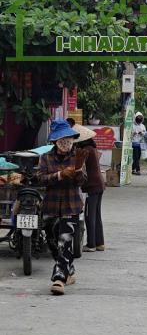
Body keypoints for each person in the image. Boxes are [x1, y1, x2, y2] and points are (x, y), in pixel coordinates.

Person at [38, 119, 87, 296]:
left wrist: (78, 171)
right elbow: (41, 179)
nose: (66, 142)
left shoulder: (78, 156)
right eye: (62, 139)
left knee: (65, 242)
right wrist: (59, 174)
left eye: (68, 139)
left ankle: (59, 278)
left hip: (71, 205)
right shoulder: (46, 158)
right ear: (55, 141)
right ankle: (69, 270)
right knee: (52, 242)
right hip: (50, 205)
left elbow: (82, 182)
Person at [74, 124, 105, 252]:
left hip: (92, 186)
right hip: (99, 185)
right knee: (96, 214)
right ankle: (100, 243)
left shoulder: (85, 150)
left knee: (89, 215)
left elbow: (79, 168)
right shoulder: (92, 148)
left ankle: (91, 244)